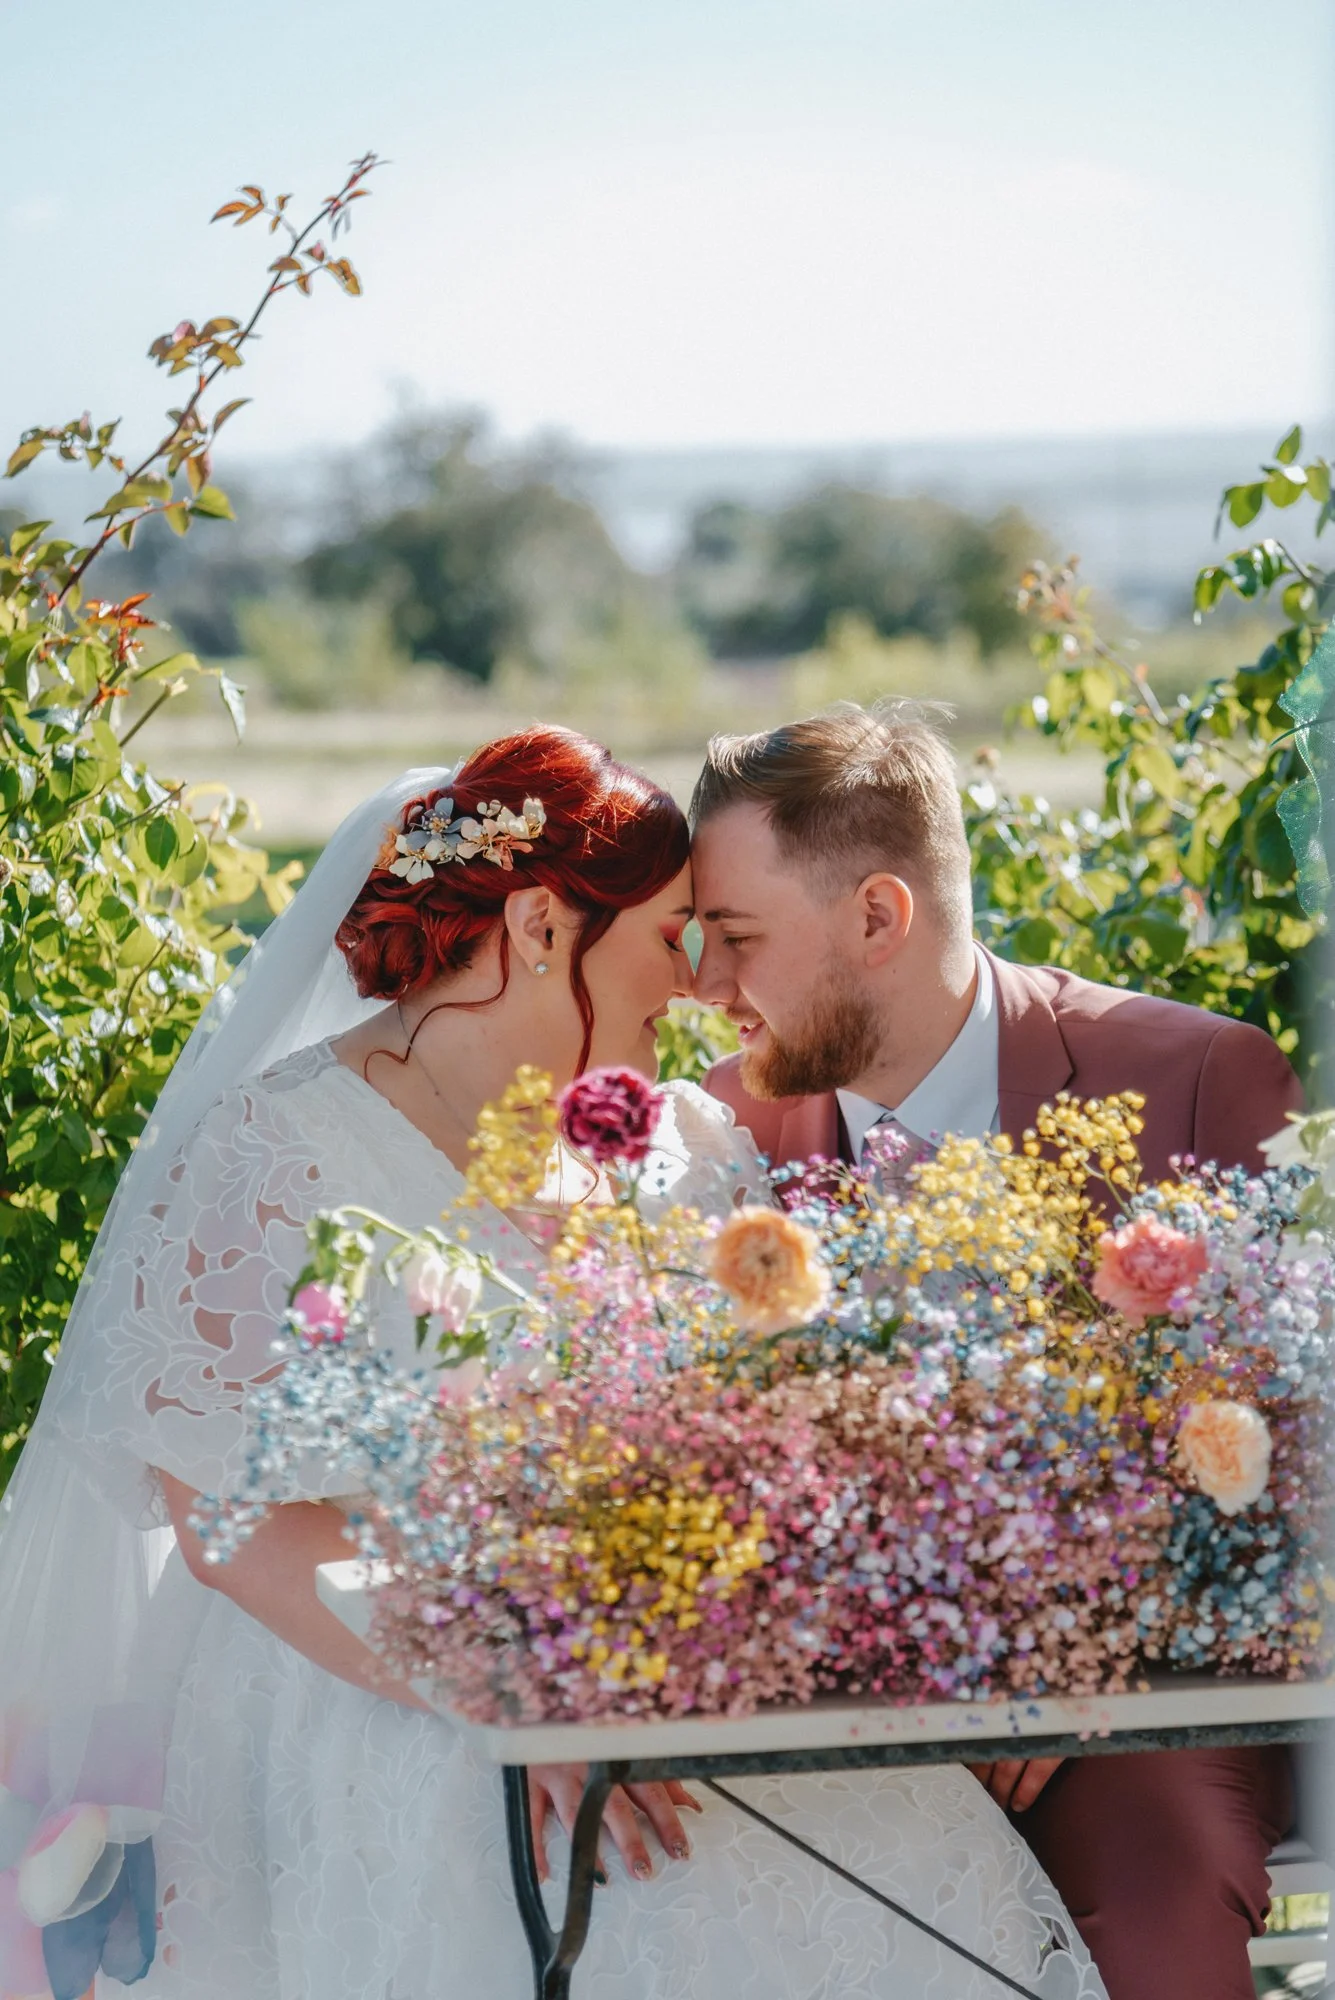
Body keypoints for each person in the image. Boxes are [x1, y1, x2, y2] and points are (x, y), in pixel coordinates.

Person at [0, 724, 1104, 2000]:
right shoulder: (282, 1152)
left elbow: (772, 1427)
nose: (694, 985)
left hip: (678, 1674)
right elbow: (225, 1520)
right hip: (384, 1682)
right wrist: (515, 1699)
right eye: (668, 934)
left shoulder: (686, 1141)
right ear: (536, 925)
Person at [691, 700, 1304, 2000]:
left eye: (734, 937)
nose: (702, 982)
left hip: (1140, 1695)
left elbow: (1287, 1469)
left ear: (875, 918)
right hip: (832, 1702)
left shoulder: (1196, 1079)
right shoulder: (715, 1134)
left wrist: (1067, 1653)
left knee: (1153, 1884)